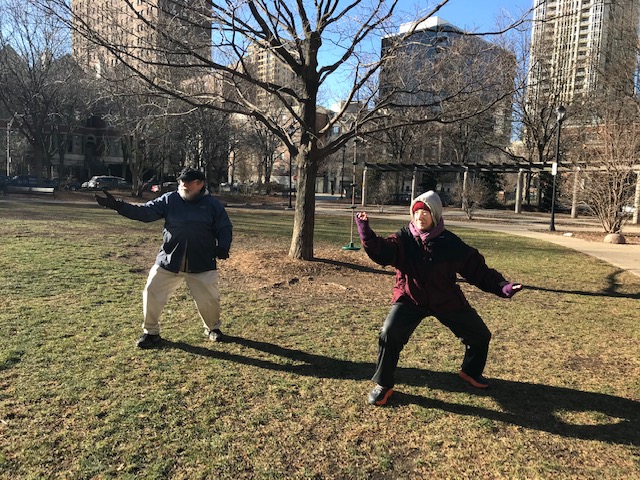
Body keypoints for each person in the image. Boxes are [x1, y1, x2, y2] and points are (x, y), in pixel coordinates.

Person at [355, 190, 522, 406]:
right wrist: (366, 233)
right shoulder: (403, 238)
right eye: (416, 212)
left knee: (480, 335)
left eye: (425, 212)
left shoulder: (450, 243)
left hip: (445, 299)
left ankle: (470, 371)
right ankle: (384, 385)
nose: (420, 217)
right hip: (411, 299)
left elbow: (477, 270)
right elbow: (383, 252)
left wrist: (503, 286)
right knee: (389, 333)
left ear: (435, 215)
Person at [95, 168, 233, 349]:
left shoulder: (213, 205)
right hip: (169, 261)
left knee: (209, 300)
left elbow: (224, 227)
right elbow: (145, 213)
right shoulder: (170, 200)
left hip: (202, 262)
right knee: (152, 291)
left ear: (200, 184)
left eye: (189, 181)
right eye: (182, 180)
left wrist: (223, 246)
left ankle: (213, 328)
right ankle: (151, 333)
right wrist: (118, 206)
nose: (184, 184)